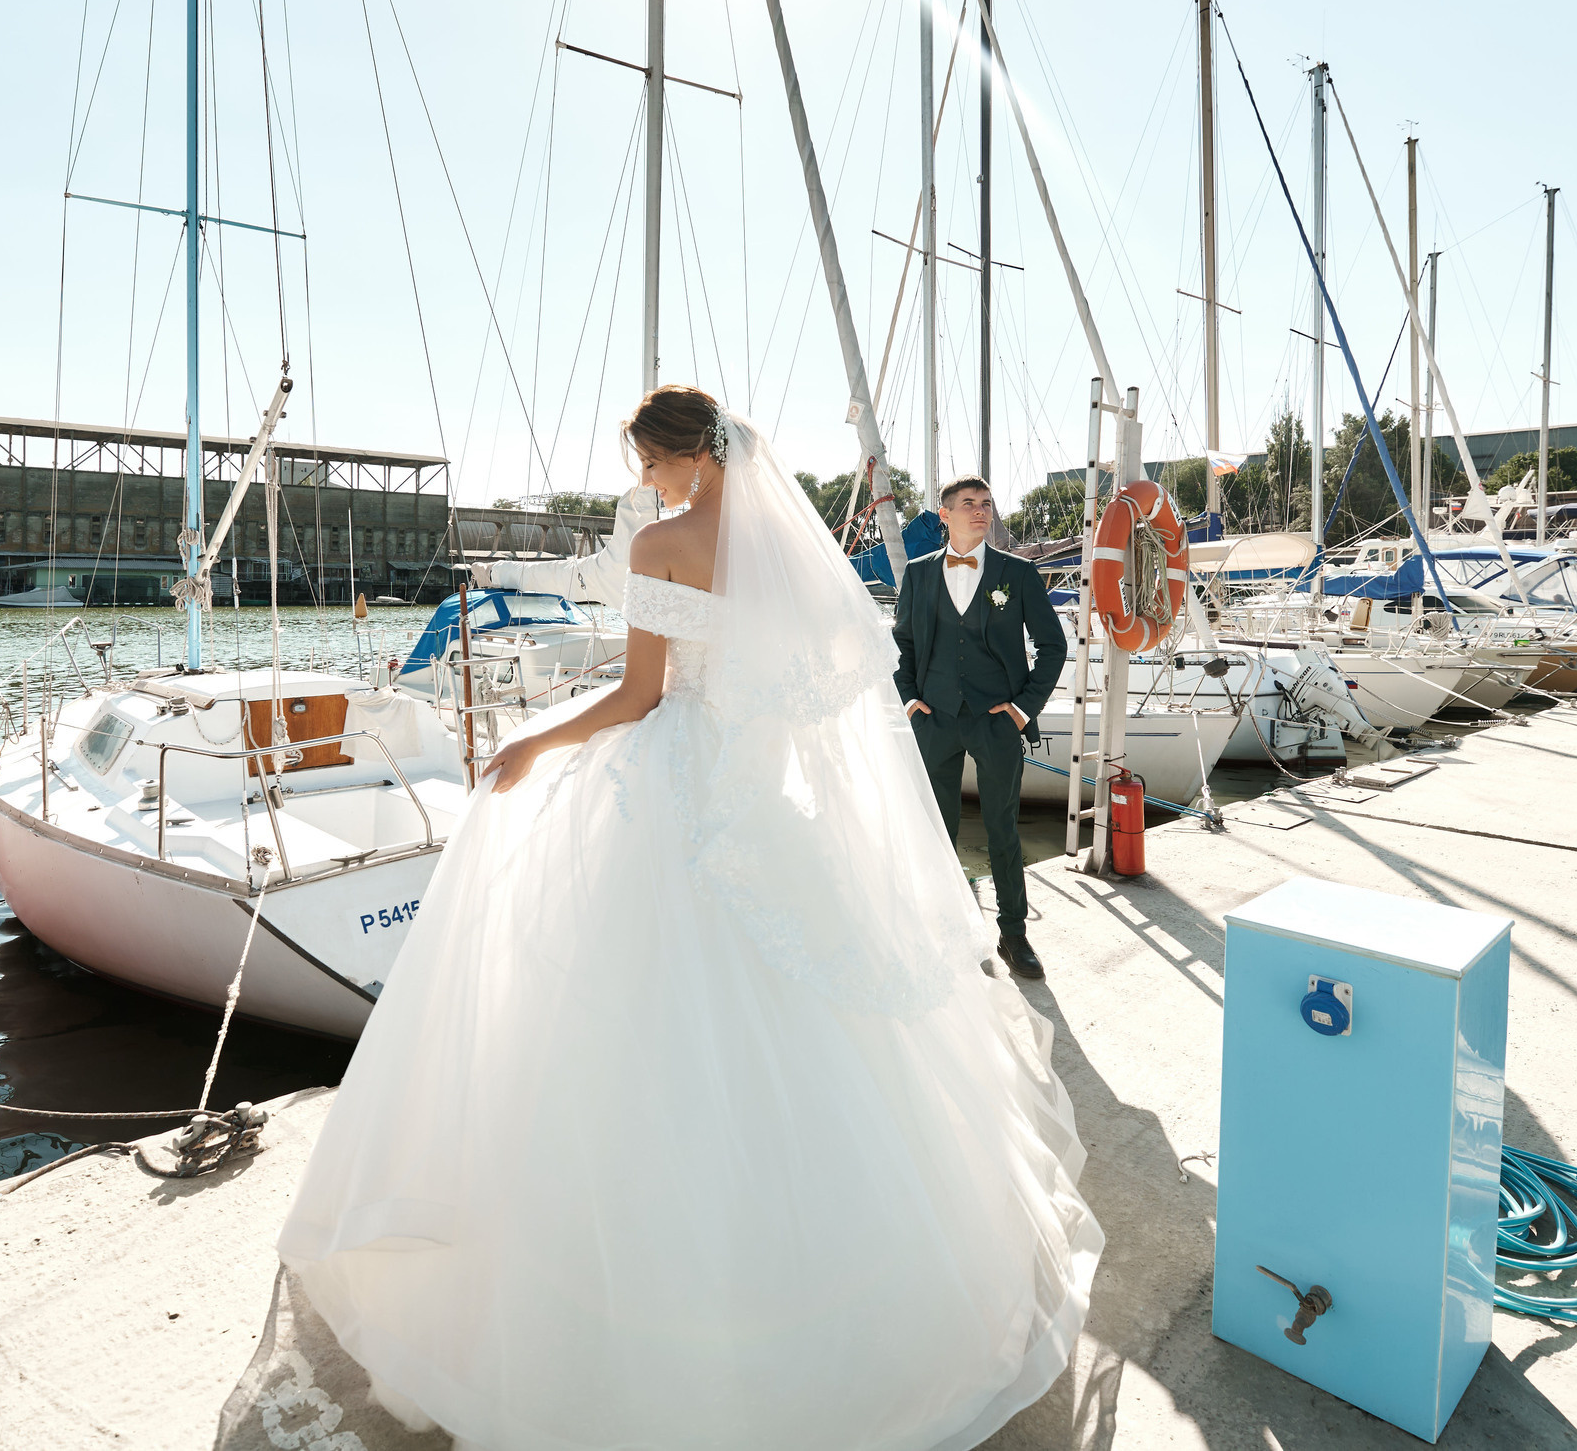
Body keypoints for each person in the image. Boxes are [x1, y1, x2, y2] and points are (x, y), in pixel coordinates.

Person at [275, 385, 1100, 1451]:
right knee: (804, 1016)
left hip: (677, 790)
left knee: (625, 1004)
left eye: (646, 461)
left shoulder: (664, 541)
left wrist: (534, 741)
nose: (642, 480)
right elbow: (806, 688)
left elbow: (639, 695)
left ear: (682, 457)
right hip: (762, 797)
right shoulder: (778, 552)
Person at [892, 476, 1067, 981]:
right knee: (938, 832)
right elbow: (901, 643)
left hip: (997, 723)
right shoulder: (920, 574)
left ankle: (1014, 935)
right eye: (968, 504)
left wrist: (1022, 708)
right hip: (935, 721)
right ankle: (947, 932)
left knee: (1002, 832)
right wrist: (909, 701)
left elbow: (1054, 647)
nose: (980, 511)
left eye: (986, 504)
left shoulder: (1018, 572)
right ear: (943, 514)